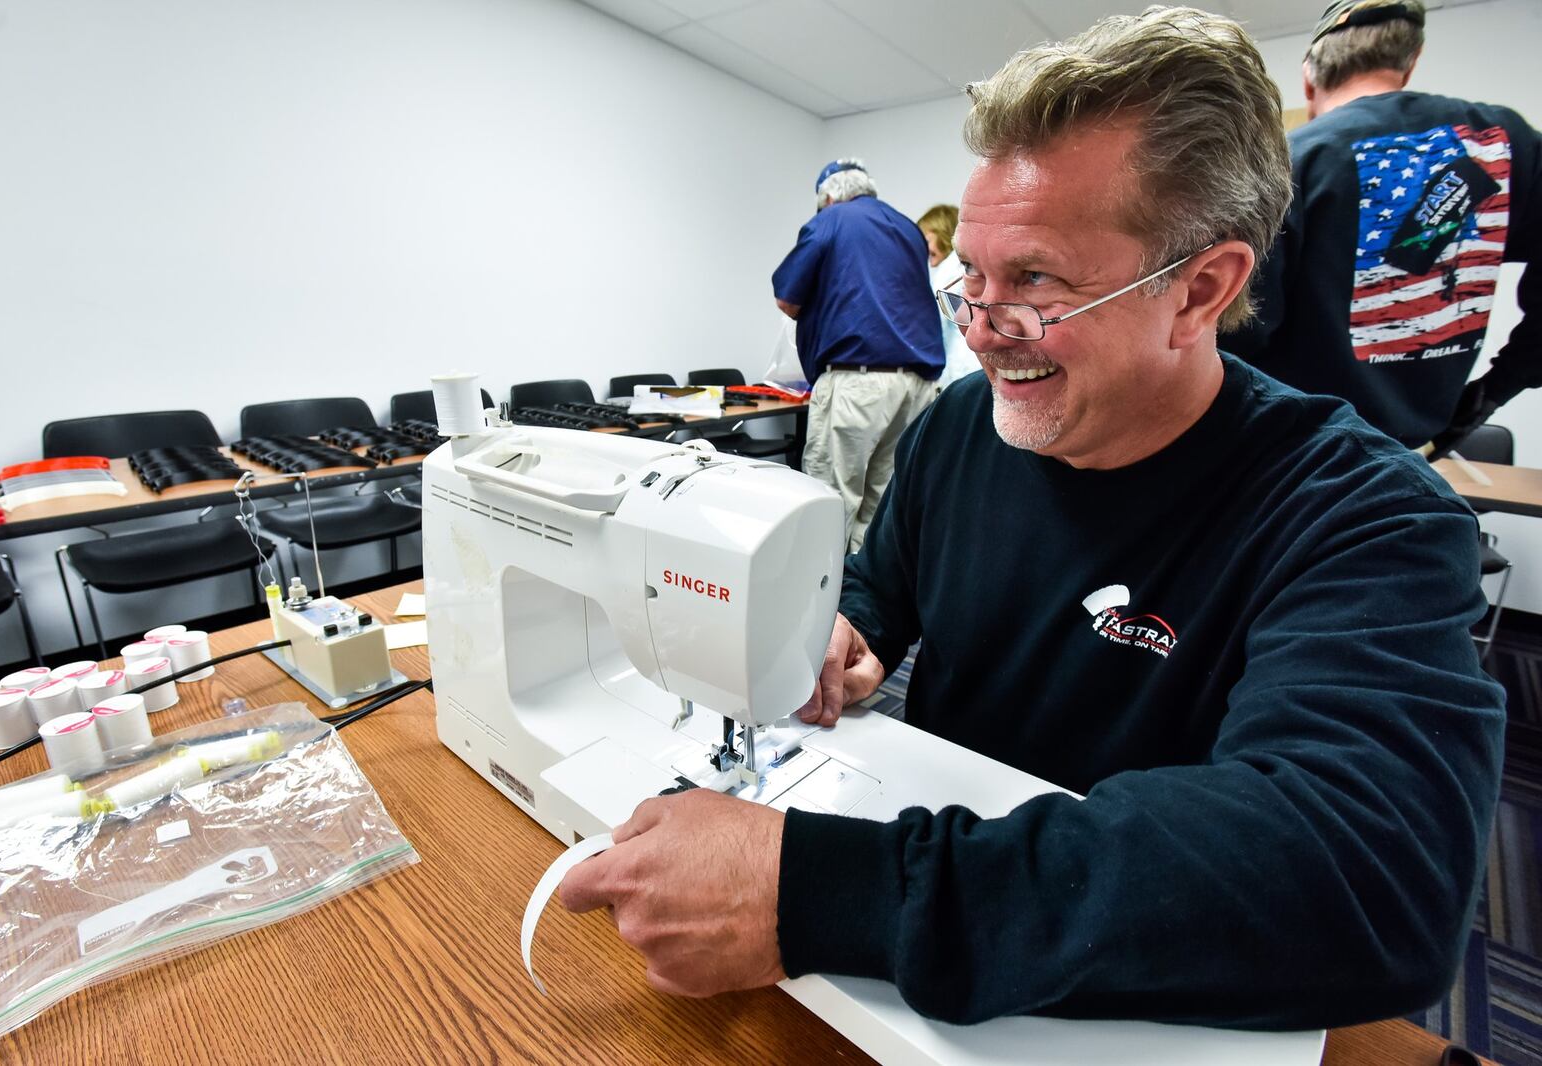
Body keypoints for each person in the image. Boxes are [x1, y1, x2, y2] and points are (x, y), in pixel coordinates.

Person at [559, 6, 1505, 1031]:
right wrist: (848, 634)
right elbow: (885, 588)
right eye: (969, 278)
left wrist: (815, 892)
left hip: (1141, 1000)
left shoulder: (1363, 518)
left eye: (1035, 283)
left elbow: (1369, 880)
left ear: (1199, 291)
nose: (978, 331)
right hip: (938, 946)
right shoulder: (960, 426)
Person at [1220, 0, 1541, 455]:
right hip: (1415, 454)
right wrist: (1493, 390)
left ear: (1308, 77)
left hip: (1294, 455)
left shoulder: (1291, 162)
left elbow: (1239, 328)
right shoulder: (1505, 142)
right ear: (1410, 63)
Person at [771, 159, 945, 553]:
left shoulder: (831, 219)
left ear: (828, 197)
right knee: (882, 501)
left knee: (828, 498)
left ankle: (819, 604)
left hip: (858, 382)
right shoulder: (907, 229)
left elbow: (786, 298)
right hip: (915, 386)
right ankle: (861, 601)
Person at [918, 203, 980, 387]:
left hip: (962, 368)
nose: (922, 247)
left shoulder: (949, 271)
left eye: (926, 239)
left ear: (943, 231)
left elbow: (934, 325)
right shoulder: (957, 268)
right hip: (967, 366)